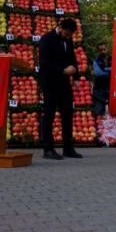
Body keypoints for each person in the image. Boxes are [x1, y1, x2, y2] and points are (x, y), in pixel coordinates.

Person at [38, 18, 83, 160]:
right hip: (50, 82)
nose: (68, 37)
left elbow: (72, 58)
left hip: (64, 83)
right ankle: (48, 149)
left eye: (71, 35)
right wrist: (62, 70)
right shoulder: (47, 39)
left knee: (67, 114)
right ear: (61, 28)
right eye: (67, 34)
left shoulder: (67, 40)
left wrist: (76, 77)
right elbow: (44, 63)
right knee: (49, 114)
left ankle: (68, 147)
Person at [92, 42, 112, 117]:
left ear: (107, 49)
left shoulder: (114, 59)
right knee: (99, 113)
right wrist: (110, 70)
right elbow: (98, 73)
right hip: (99, 89)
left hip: (112, 87)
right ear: (98, 51)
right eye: (101, 50)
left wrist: (105, 69)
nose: (103, 51)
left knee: (114, 112)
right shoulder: (96, 60)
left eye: (104, 49)